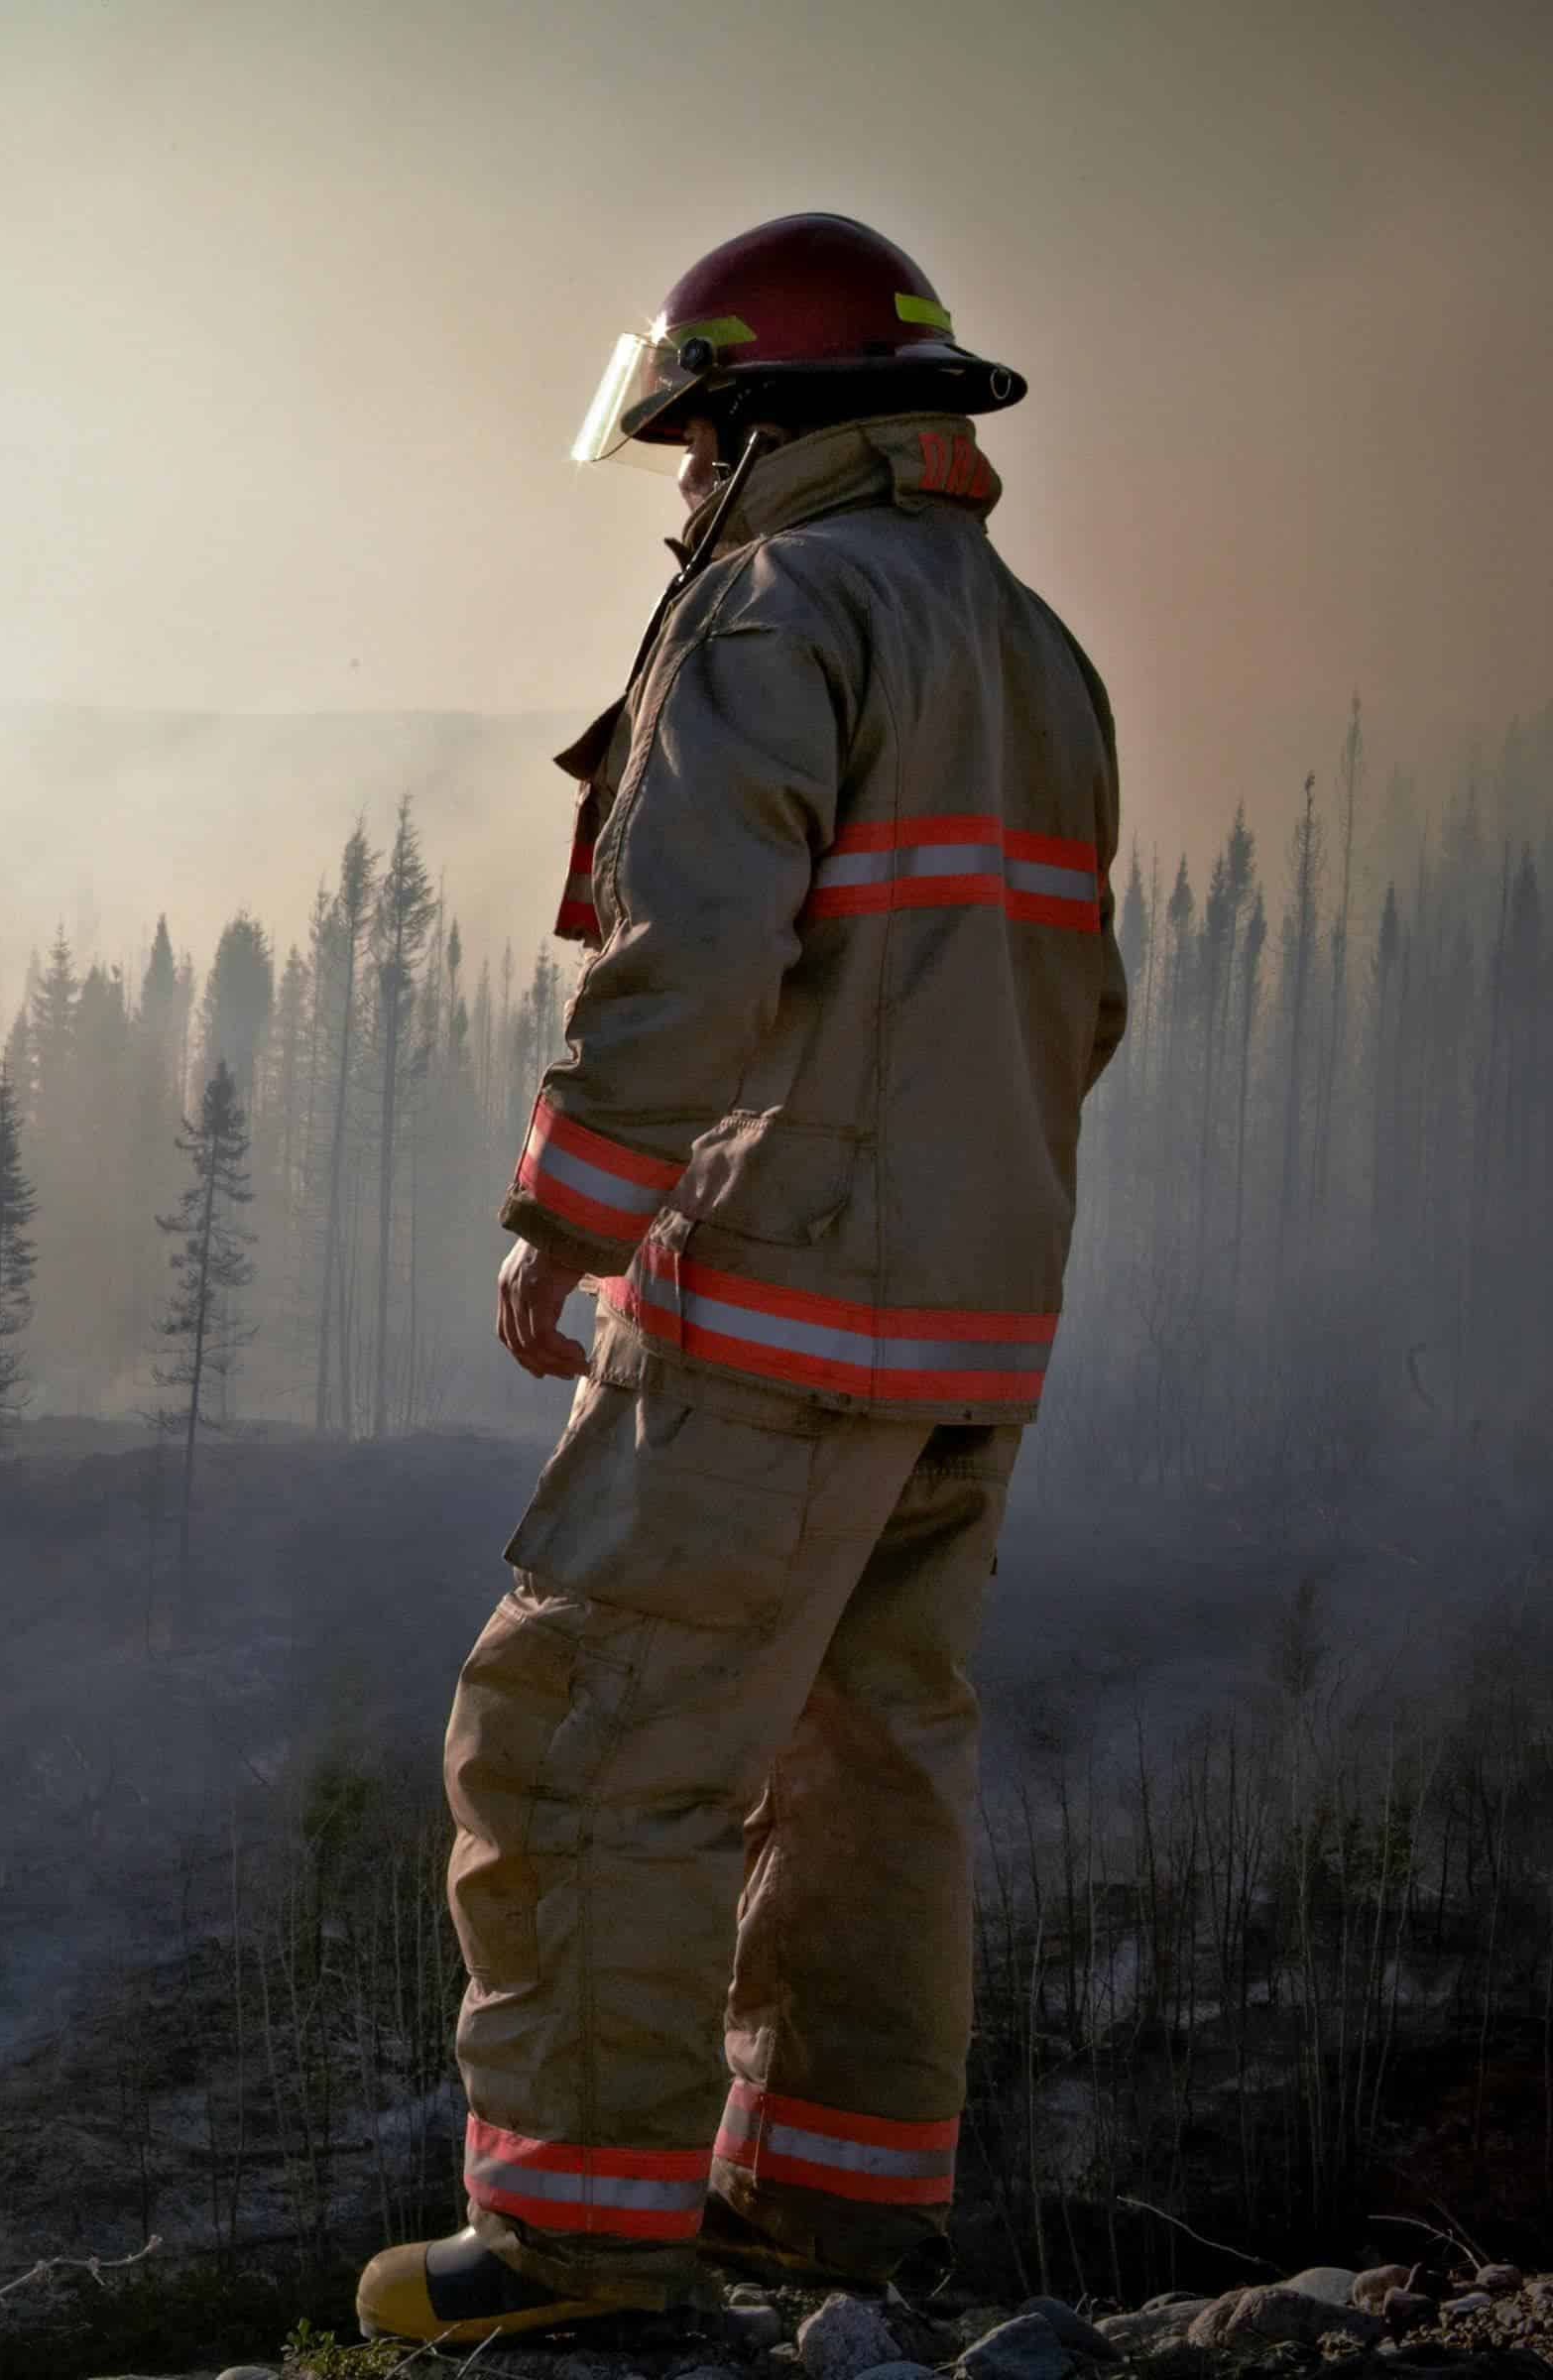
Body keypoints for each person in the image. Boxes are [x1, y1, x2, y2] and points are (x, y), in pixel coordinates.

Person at [356, 212, 1129, 2343]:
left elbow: (693, 958)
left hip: (785, 1312)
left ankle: (581, 2255)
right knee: (872, 1764)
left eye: (698, 442)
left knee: (580, 1739)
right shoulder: (1031, 646)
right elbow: (1082, 1001)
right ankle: (831, 2214)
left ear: (773, 422)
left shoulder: (778, 612)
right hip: (976, 1327)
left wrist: (566, 1220)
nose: (685, 488)